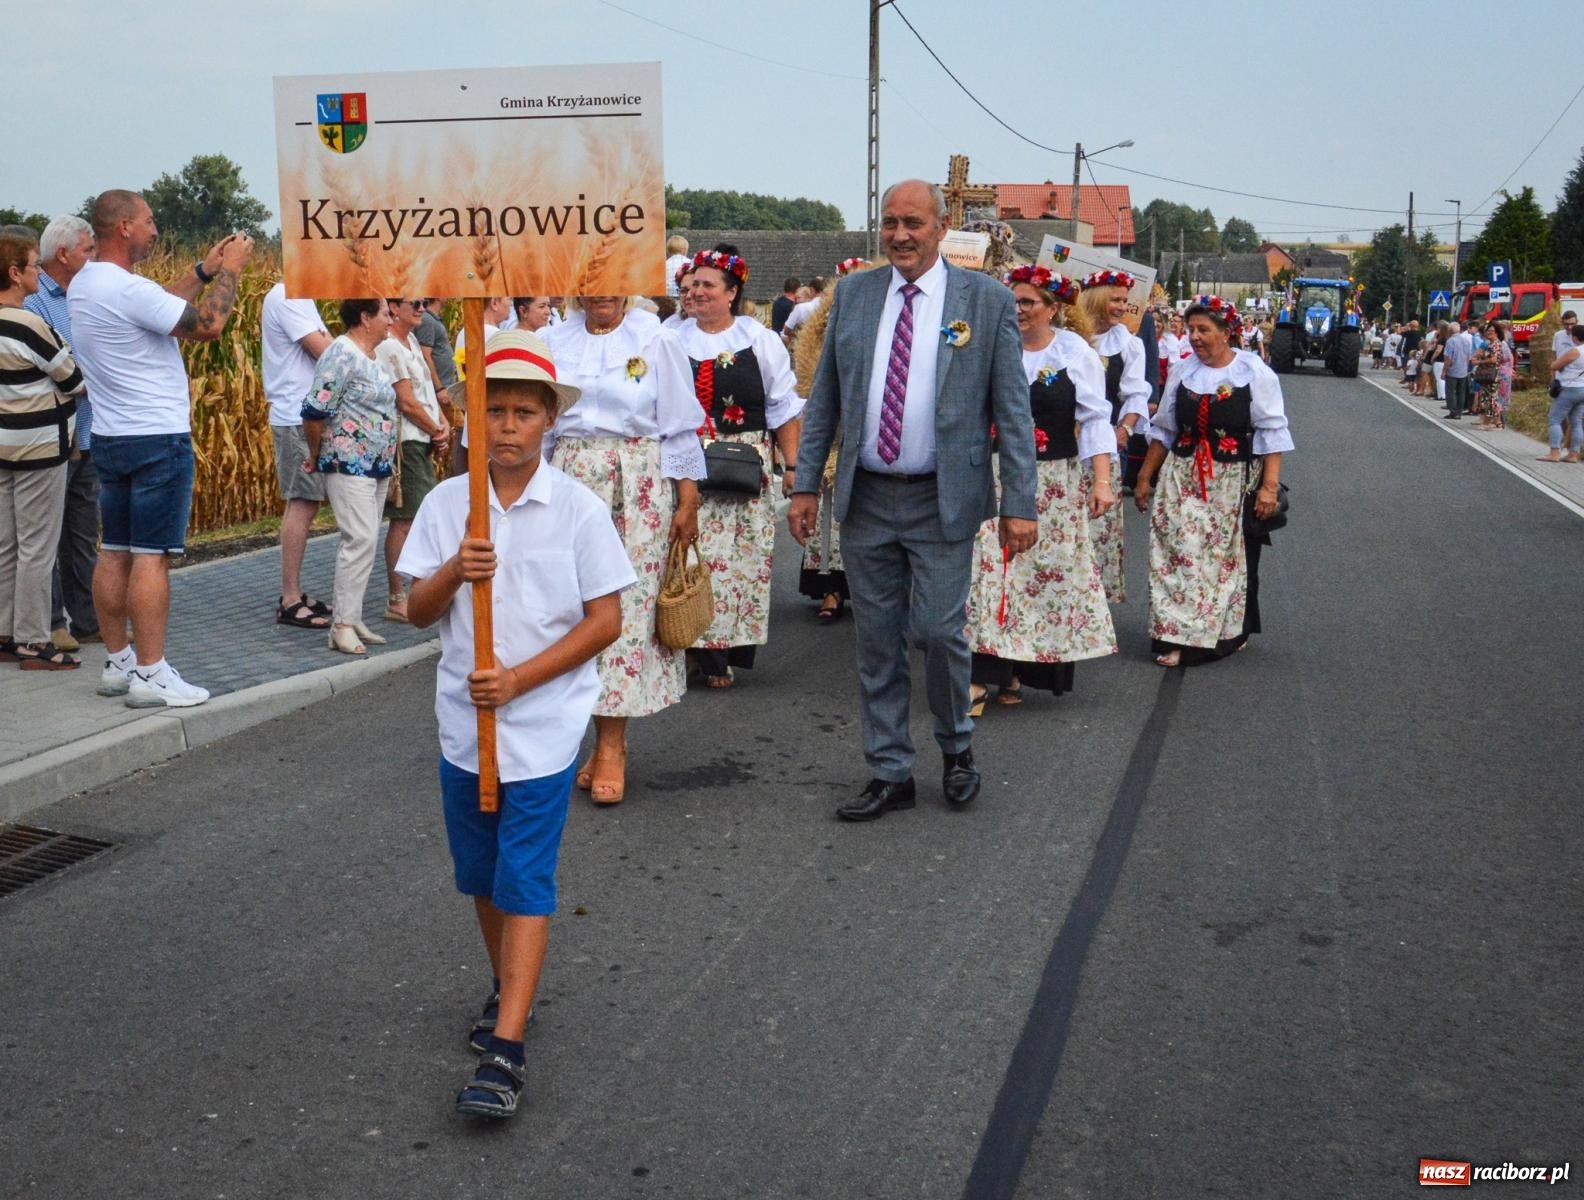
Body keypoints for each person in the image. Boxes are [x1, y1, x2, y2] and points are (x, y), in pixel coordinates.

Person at [397, 328, 634, 1121]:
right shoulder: (443, 505)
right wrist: (451, 572)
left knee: (525, 874)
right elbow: (413, 612)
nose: (506, 427)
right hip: (465, 728)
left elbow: (605, 620)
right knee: (482, 874)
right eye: (492, 410)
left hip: (542, 726)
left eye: (523, 412)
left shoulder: (577, 509)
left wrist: (523, 680)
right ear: (471, 418)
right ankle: (509, 981)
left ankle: (506, 1048)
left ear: (547, 423)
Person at [789, 179, 1037, 822]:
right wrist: (803, 485)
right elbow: (826, 404)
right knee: (875, 641)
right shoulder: (855, 295)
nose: (900, 235)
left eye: (913, 223)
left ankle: (956, 748)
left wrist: (1021, 502)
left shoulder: (984, 302)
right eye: (890, 223)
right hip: (868, 497)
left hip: (942, 499)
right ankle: (890, 770)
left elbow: (1012, 410)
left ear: (939, 227)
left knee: (937, 631)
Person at [69, 190, 253, 708]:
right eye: (149, 221)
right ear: (124, 227)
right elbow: (207, 326)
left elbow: (160, 308)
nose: (155, 229)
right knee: (152, 557)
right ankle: (152, 673)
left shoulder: (89, 284)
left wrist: (200, 269)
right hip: (157, 437)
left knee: (116, 550)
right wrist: (231, 272)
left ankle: (118, 661)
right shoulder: (126, 290)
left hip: (111, 436)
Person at [543, 295, 704, 803]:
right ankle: (586, 734)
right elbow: (544, 428)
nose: (602, 293)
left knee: (623, 612)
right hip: (568, 478)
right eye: (590, 282)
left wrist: (688, 500)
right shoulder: (552, 340)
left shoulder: (657, 340)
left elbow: (679, 426)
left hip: (636, 485)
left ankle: (613, 743)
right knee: (569, 610)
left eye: (612, 279)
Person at [965, 266, 1116, 709]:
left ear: (1054, 309)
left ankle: (1015, 671)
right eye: (1013, 300)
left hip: (1053, 482)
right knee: (986, 574)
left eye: (1029, 302)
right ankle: (978, 674)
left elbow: (1093, 420)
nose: (1018, 309)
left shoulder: (1073, 354)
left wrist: (1102, 481)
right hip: (992, 476)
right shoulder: (991, 345)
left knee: (1036, 578)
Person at [1134, 295, 1294, 667]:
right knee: (1175, 552)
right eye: (1190, 330)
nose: (1194, 337)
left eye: (1203, 330)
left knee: (1218, 560)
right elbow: (1165, 429)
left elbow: (1272, 433)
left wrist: (1269, 488)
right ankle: (1173, 632)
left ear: (1226, 333)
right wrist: (1144, 477)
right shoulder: (1183, 371)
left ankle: (1214, 634)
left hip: (1229, 478)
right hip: (1182, 473)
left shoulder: (1254, 372)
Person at [672, 247, 803, 687]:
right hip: (685, 463)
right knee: (688, 553)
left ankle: (719, 652)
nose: (696, 292)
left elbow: (782, 407)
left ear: (732, 293)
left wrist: (792, 467)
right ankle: (691, 644)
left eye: (707, 285)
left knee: (738, 560)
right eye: (691, 285)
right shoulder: (669, 338)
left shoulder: (759, 339)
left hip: (743, 461)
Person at [1, 228, 85, 669]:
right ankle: (34, 641)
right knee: (38, 546)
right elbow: (73, 379)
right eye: (33, 265)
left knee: (6, 544)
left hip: (3, 445)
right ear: (15, 274)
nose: (38, 271)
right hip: (39, 449)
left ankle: (4, 632)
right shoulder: (28, 324)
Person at [301, 299, 399, 655]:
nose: (392, 319)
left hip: (376, 464)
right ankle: (340, 625)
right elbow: (315, 408)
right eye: (386, 313)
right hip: (348, 462)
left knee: (368, 541)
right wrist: (315, 454)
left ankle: (352, 616)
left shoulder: (373, 356)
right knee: (358, 539)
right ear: (365, 317)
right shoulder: (340, 353)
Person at [22, 215, 101, 652]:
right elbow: (55, 365)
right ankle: (53, 623)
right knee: (47, 537)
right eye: (88, 250)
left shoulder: (88, 293)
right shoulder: (36, 302)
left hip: (89, 435)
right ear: (64, 254)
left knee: (82, 536)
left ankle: (88, 621)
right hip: (55, 438)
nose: (93, 257)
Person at [261, 279, 334, 631]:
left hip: (304, 413)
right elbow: (324, 350)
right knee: (302, 502)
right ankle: (289, 598)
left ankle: (295, 592)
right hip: (296, 415)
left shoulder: (301, 296)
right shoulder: (288, 296)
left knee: (307, 502)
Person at [379, 297, 451, 622]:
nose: (422, 308)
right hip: (406, 440)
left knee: (416, 516)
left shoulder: (409, 341)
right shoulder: (390, 347)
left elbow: (425, 395)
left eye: (423, 303)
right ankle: (397, 596)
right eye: (415, 303)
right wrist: (436, 428)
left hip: (422, 436)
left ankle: (413, 589)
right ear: (393, 307)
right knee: (406, 519)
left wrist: (442, 424)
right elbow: (406, 403)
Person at [1080, 270, 1149, 602]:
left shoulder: (1128, 345)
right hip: (1060, 440)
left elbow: (1135, 394)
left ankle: (1090, 598)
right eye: (1116, 299)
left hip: (1101, 443)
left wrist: (1125, 428)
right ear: (1095, 298)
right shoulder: (1067, 335)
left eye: (1125, 300)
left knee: (1096, 521)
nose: (1122, 307)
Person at [1541, 322, 1584, 462]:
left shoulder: (1575, 351)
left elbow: (1555, 365)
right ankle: (1574, 454)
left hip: (1569, 388)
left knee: (1555, 419)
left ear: (1575, 337)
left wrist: (1554, 364)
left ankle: (1554, 452)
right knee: (1576, 422)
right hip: (1582, 389)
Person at [1472, 321, 1513, 431]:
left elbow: (1494, 359)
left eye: (1491, 331)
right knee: (1489, 397)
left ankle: (1488, 422)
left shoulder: (1495, 344)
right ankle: (1497, 422)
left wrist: (1479, 362)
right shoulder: (1490, 344)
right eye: (1487, 331)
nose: (1489, 333)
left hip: (1493, 374)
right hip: (1490, 374)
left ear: (1497, 332)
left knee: (1490, 398)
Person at [1442, 320, 1473, 419]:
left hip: (1453, 370)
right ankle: (1459, 412)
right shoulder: (1466, 341)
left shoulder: (1451, 341)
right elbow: (1468, 356)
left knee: (1451, 391)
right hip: (1463, 369)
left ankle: (1453, 411)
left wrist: (1444, 370)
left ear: (1450, 330)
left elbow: (1448, 358)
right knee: (1461, 392)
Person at [663, 234, 690, 298]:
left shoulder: (665, 264)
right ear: (684, 249)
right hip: (684, 295)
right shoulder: (689, 262)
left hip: (668, 296)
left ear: (668, 250)